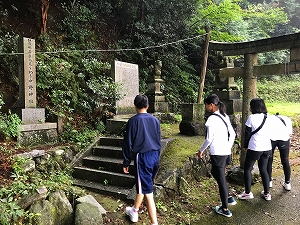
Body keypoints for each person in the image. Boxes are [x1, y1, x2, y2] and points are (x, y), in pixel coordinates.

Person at [122, 94, 161, 225]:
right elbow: (158, 141)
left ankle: (154, 223)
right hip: (155, 155)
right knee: (144, 185)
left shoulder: (133, 121)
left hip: (142, 157)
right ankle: (134, 210)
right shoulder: (155, 120)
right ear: (148, 106)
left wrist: (126, 161)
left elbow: (128, 143)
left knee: (148, 191)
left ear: (135, 106)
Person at [197, 94, 236, 218]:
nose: (206, 107)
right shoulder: (224, 115)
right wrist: (228, 147)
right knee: (216, 173)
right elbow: (233, 134)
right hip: (225, 151)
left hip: (218, 153)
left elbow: (209, 139)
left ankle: (225, 209)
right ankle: (229, 196)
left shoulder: (212, 119)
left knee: (220, 180)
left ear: (211, 105)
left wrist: (201, 150)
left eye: (206, 105)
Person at [238, 98, 273, 201]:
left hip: (255, 147)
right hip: (267, 147)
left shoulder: (251, 118)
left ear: (253, 107)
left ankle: (248, 192)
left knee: (248, 169)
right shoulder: (268, 117)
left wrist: (245, 146)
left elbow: (247, 133)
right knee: (264, 169)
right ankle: (267, 193)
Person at [267, 112, 293, 190]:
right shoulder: (287, 119)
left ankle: (269, 181)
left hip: (271, 140)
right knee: (285, 161)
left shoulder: (269, 118)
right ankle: (287, 183)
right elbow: (289, 133)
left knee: (269, 160)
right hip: (284, 140)